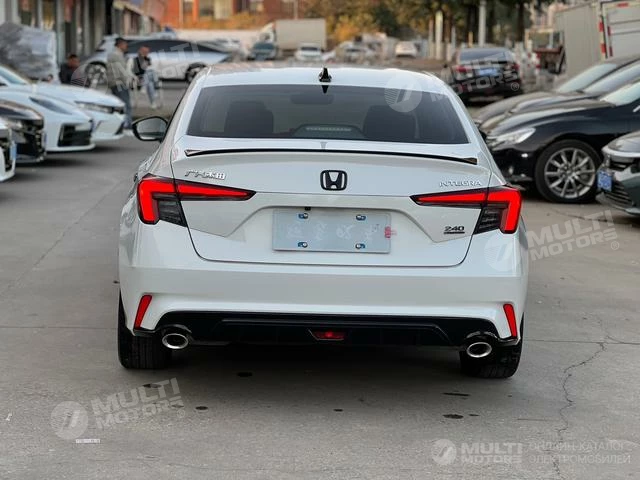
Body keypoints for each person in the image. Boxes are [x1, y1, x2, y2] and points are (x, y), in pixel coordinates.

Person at [106, 37, 132, 129]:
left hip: (114, 83)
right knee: (125, 105)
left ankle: (119, 124)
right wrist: (128, 82)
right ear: (120, 45)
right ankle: (126, 124)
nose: (126, 46)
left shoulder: (113, 54)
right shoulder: (117, 55)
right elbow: (122, 72)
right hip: (120, 83)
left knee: (118, 105)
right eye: (125, 45)